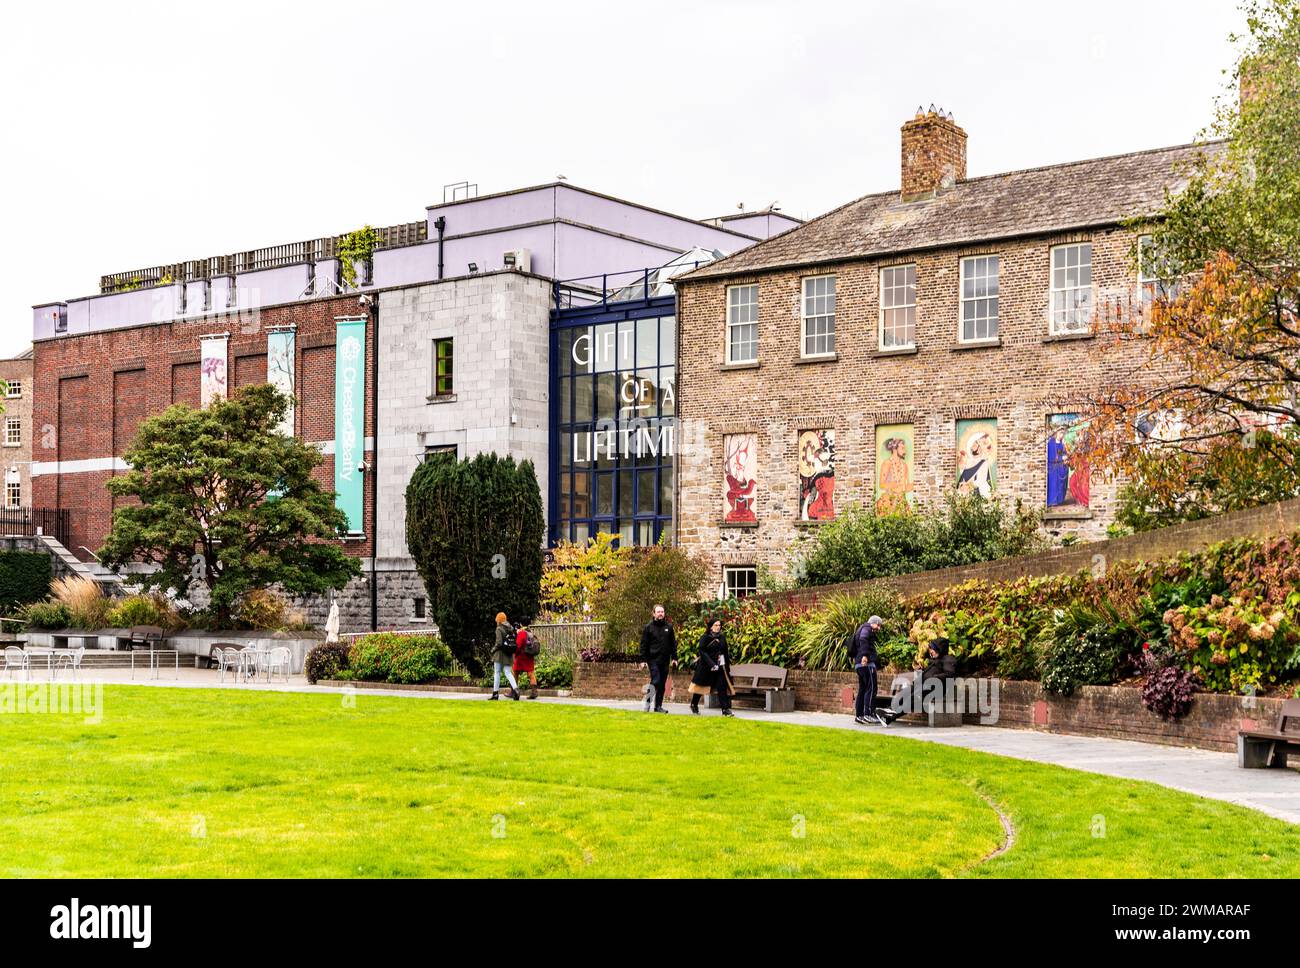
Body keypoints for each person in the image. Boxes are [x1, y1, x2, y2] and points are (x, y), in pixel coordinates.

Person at [688, 617, 734, 717]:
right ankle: (694, 704)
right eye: (716, 625)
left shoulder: (722, 637)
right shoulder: (705, 637)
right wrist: (712, 664)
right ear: (710, 627)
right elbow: (702, 652)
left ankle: (725, 710)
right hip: (706, 667)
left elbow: (725, 652)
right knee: (700, 688)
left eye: (719, 625)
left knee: (722, 687)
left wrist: (726, 667)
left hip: (720, 667)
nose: (718, 627)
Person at [639, 604, 677, 713]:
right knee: (656, 680)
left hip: (665, 660)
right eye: (658, 612)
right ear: (654, 613)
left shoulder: (669, 627)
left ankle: (658, 707)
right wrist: (643, 660)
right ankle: (647, 700)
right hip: (653, 660)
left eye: (662, 612)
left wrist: (674, 657)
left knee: (662, 685)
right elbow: (643, 645)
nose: (660, 614)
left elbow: (673, 644)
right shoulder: (648, 627)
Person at [850, 615, 885, 725]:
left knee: (863, 689)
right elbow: (863, 639)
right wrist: (865, 655)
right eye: (878, 625)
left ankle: (859, 715)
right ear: (873, 623)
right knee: (871, 688)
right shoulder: (867, 629)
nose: (879, 628)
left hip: (859, 664)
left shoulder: (861, 628)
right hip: (866, 664)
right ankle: (868, 715)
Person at [490, 612, 521, 701]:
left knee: (497, 673)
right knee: (508, 672)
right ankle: (516, 690)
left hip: (499, 654)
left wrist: (493, 650)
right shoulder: (510, 628)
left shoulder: (499, 629)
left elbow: (499, 643)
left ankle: (495, 694)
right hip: (509, 652)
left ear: (498, 620)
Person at [514, 623, 539, 700]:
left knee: (515, 672)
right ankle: (534, 692)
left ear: (521, 624)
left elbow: (518, 645)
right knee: (531, 673)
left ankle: (514, 691)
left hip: (521, 657)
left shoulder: (522, 633)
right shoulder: (530, 632)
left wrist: (514, 654)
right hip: (529, 656)